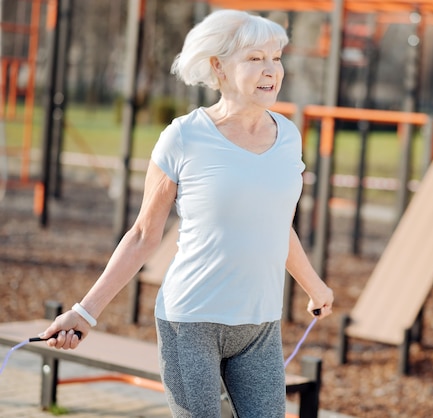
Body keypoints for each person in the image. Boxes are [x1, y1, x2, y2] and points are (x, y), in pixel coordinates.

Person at [40, 9, 334, 418]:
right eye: (254, 58)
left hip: (260, 326)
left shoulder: (288, 136)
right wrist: (85, 312)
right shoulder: (184, 136)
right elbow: (144, 233)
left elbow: (276, 225)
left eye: (276, 57)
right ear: (219, 67)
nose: (271, 70)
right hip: (190, 323)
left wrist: (315, 286)